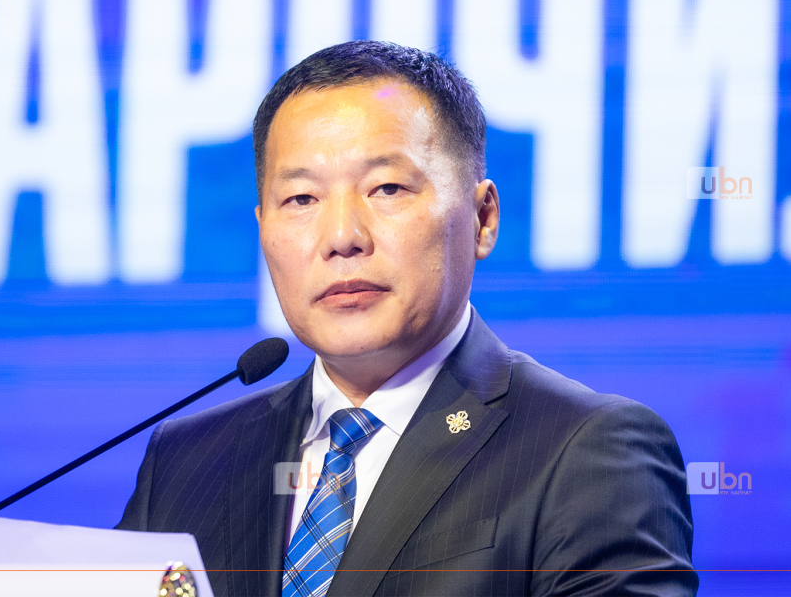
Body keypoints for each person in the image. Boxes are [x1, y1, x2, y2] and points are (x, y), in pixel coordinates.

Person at [118, 40, 697, 597]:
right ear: (262, 227)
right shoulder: (185, 460)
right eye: (301, 199)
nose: (342, 237)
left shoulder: (588, 451)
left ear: (483, 219)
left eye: (387, 188)